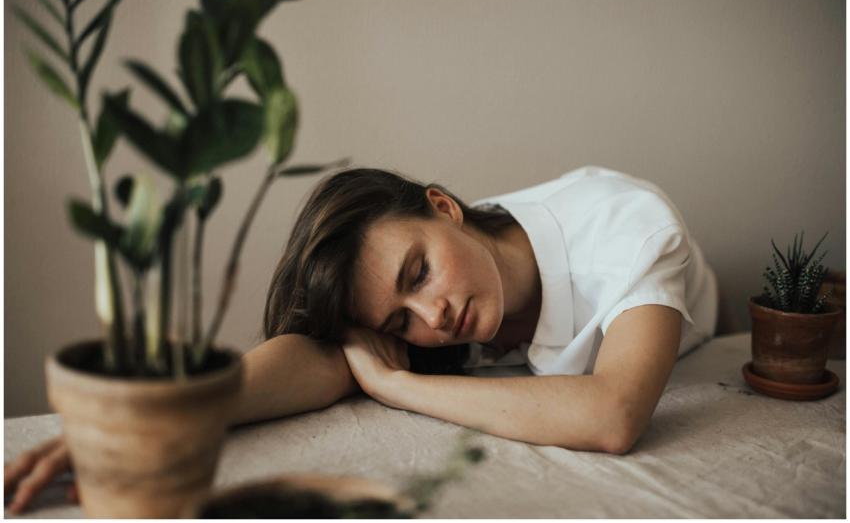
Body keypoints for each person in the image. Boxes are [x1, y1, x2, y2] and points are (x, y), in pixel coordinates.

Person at [5, 165, 718, 513]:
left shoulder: (627, 224)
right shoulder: (437, 297)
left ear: (445, 207)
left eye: (419, 271)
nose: (430, 319)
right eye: (398, 322)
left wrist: (399, 385)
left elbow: (614, 414)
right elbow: (318, 354)